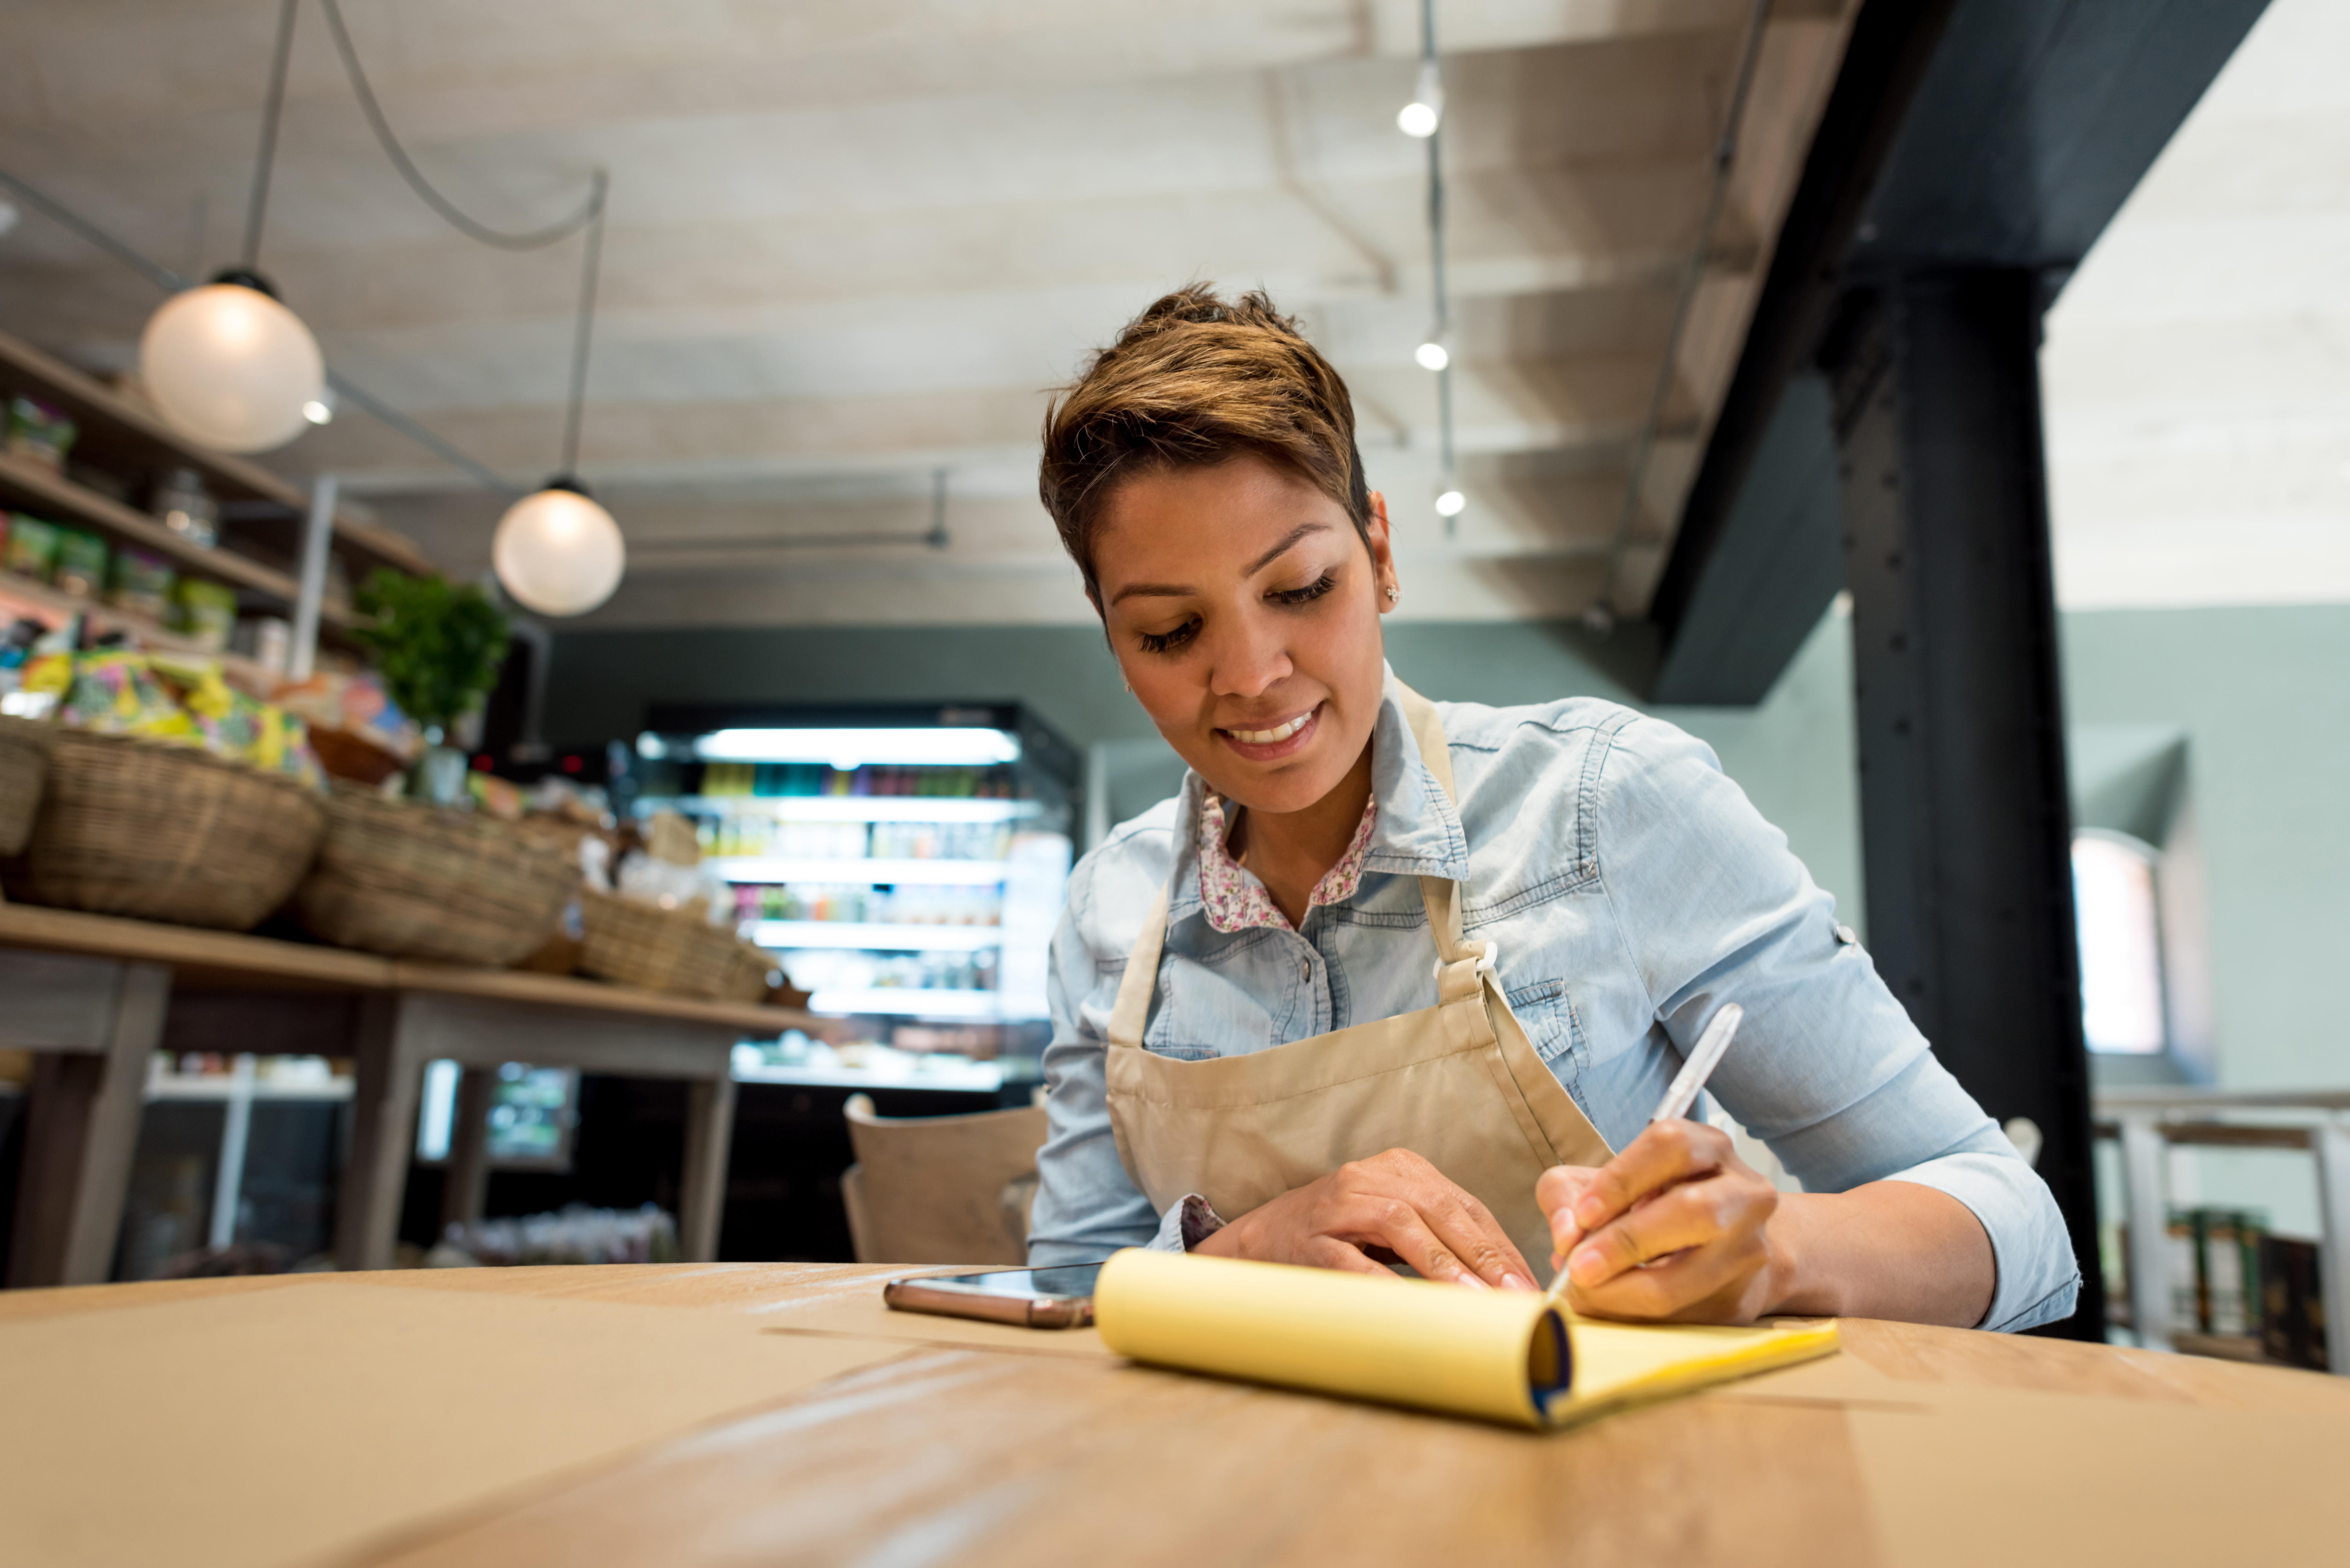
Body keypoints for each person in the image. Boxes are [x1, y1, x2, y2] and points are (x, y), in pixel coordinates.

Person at [1024, 285, 2079, 1331]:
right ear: (1114, 638)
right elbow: (1065, 1297)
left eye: (1300, 588)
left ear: (1380, 553)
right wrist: (1237, 1252)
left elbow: (2017, 1227)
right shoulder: (1108, 915)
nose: (1252, 674)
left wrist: (1778, 1255)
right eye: (1170, 631)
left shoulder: (1606, 803)